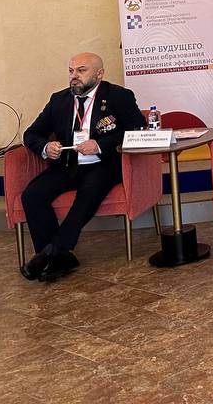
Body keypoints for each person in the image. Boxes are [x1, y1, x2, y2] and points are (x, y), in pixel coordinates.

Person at [20, 53, 145, 282]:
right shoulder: (59, 100)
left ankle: (51, 251)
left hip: (104, 164)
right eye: (71, 71)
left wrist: (100, 145)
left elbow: (137, 128)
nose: (74, 76)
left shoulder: (118, 96)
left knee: (89, 190)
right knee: (33, 195)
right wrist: (46, 147)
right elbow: (31, 134)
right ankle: (59, 259)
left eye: (81, 70)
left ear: (99, 74)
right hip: (68, 163)